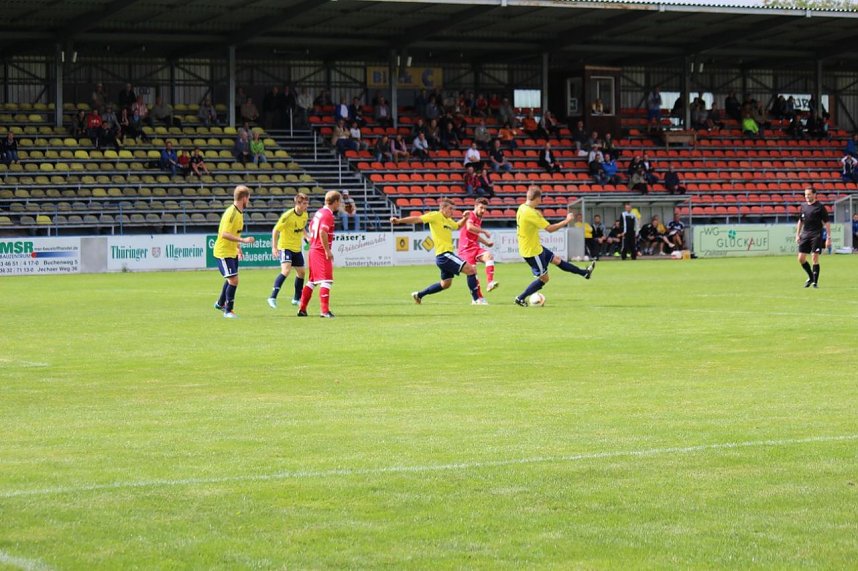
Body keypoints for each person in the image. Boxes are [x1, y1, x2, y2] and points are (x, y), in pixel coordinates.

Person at [513, 186, 594, 307]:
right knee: (544, 279)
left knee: (557, 260)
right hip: (532, 252)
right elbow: (550, 229)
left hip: (536, 246)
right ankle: (520, 298)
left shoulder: (522, 207)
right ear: (537, 198)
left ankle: (584, 273)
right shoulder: (531, 213)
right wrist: (567, 221)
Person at [390, 200, 481, 305]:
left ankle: (419, 295)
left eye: (453, 209)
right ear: (443, 208)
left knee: (445, 284)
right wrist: (399, 220)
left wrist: (465, 218)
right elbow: (417, 219)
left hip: (444, 257)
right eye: (450, 209)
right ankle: (476, 300)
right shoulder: (435, 215)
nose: (452, 212)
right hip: (444, 255)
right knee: (471, 270)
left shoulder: (448, 220)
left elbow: (457, 226)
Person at [213, 185, 256, 319]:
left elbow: (233, 232)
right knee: (234, 280)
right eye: (248, 198)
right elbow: (224, 234)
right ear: (244, 198)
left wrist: (238, 248)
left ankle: (220, 303)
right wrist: (243, 240)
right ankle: (228, 310)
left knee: (231, 278)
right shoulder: (232, 213)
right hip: (223, 252)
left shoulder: (239, 212)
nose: (248, 201)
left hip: (231, 251)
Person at [297, 191, 342, 318]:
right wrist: (327, 251)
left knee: (312, 281)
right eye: (339, 201)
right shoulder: (328, 215)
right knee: (327, 280)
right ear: (336, 202)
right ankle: (324, 311)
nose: (340, 204)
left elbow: (311, 228)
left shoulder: (319, 212)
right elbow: (322, 232)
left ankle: (302, 309)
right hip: (320, 251)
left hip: (313, 249)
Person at [268, 193, 309, 309]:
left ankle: (296, 299)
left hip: (296, 247)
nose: (307, 206)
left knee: (301, 272)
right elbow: (275, 230)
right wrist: (274, 247)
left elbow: (302, 228)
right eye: (304, 203)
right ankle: (272, 297)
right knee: (286, 270)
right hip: (285, 247)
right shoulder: (287, 216)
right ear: (298, 204)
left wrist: (307, 237)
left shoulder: (305, 215)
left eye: (307, 203)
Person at [458, 197, 498, 304]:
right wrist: (484, 231)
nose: (483, 211)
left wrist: (486, 243)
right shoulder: (470, 214)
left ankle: (490, 282)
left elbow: (475, 234)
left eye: (485, 208)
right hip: (465, 249)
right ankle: (477, 298)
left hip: (475, 247)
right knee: (473, 272)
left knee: (489, 255)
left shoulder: (479, 218)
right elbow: (470, 227)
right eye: (481, 208)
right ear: (475, 206)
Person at [795, 186, 831, 288]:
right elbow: (800, 221)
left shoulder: (820, 207)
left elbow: (827, 222)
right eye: (805, 194)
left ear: (814, 195)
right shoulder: (803, 206)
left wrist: (828, 237)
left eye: (809, 194)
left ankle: (815, 282)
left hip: (816, 234)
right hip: (805, 234)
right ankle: (811, 277)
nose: (807, 196)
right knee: (801, 258)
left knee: (814, 257)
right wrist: (797, 234)